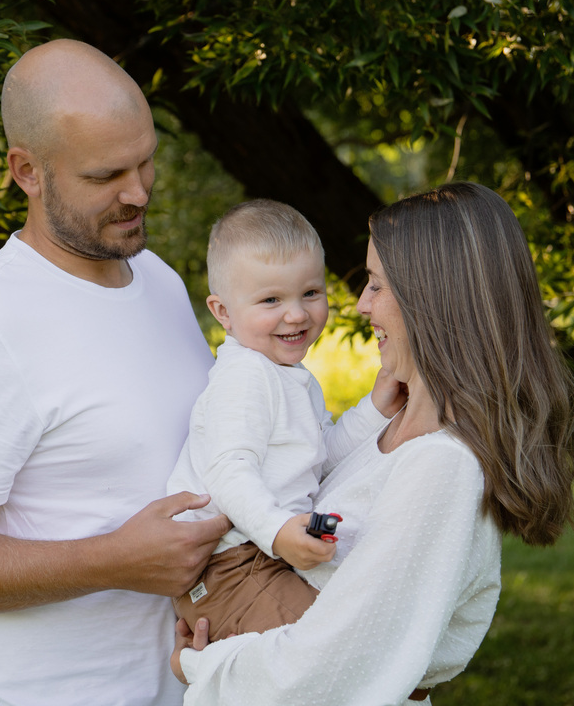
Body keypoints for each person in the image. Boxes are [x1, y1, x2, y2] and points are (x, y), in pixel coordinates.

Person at [0, 39, 231, 706]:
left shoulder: (155, 278)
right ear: (27, 171)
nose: (138, 193)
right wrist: (113, 561)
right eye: (105, 176)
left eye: (146, 161)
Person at [172, 182, 574, 705]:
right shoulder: (374, 419)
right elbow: (301, 465)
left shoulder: (444, 466)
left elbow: (325, 674)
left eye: (375, 284)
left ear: (432, 299)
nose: (361, 304)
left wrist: (199, 664)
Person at [167, 199, 405, 641]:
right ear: (223, 312)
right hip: (228, 566)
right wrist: (277, 531)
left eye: (310, 293)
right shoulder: (245, 376)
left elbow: (320, 456)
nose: (296, 314)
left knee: (349, 632)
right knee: (326, 646)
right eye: (271, 299)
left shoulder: (290, 377)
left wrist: (374, 409)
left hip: (260, 554)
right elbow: (227, 471)